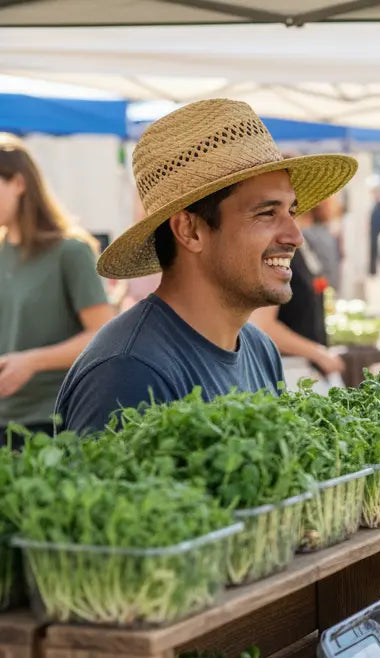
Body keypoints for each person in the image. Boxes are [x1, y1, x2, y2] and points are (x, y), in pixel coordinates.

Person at [55, 98, 357, 433]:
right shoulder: (129, 372)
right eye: (267, 213)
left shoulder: (259, 349)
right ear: (190, 230)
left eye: (291, 211)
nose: (295, 235)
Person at [0, 134, 113, 446]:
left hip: (50, 421)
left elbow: (102, 336)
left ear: (19, 184)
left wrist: (32, 361)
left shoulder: (71, 251)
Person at [249, 210, 346, 384]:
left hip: (305, 370)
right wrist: (318, 353)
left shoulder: (303, 242)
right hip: (289, 373)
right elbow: (262, 325)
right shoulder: (276, 252)